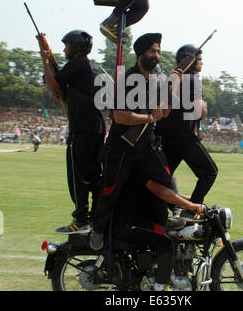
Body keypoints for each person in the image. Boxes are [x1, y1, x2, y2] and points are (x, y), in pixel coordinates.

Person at [90, 33, 180, 251]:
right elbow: (119, 116)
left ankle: (174, 214)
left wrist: (171, 86)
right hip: (122, 148)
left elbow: (165, 112)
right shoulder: (127, 80)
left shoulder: (155, 82)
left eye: (158, 52)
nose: (156, 55)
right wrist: (149, 118)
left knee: (166, 179)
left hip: (145, 147)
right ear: (141, 54)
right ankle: (98, 230)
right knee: (110, 192)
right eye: (152, 51)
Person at [40, 30, 106, 234]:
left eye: (67, 45)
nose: (64, 49)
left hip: (82, 130)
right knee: (94, 177)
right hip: (96, 128)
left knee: (78, 177)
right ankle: (95, 219)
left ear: (76, 46)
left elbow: (52, 83)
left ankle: (81, 219)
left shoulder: (77, 64)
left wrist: (45, 59)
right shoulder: (89, 66)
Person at [113, 168, 204, 291]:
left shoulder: (147, 162)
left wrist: (184, 200)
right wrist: (189, 205)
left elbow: (164, 186)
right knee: (170, 238)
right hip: (128, 222)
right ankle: (160, 287)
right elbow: (159, 190)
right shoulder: (142, 164)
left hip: (134, 217)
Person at [156, 44, 218, 218]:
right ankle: (191, 209)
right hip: (185, 138)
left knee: (163, 179)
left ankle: (173, 208)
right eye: (198, 59)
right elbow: (201, 112)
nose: (202, 63)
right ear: (189, 61)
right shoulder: (193, 80)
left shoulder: (170, 79)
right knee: (209, 172)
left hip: (165, 138)